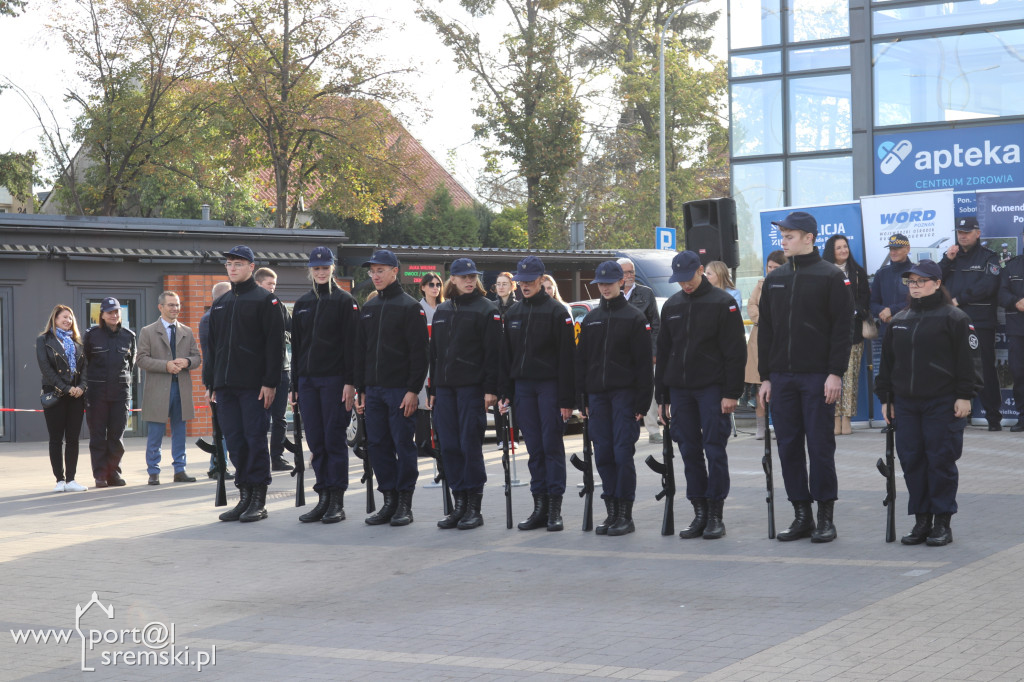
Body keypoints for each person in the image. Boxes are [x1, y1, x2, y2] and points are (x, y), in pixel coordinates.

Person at [758, 211, 853, 543]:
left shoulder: (830, 276)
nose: (783, 242)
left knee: (820, 447)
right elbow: (766, 330)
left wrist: (834, 373)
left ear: (809, 238)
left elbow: (843, 329)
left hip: (817, 377)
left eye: (789, 236)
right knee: (788, 448)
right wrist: (765, 377)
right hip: (781, 378)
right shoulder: (775, 278)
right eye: (782, 236)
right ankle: (802, 514)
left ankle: (826, 516)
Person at [875, 260, 981, 546]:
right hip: (906, 404)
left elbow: (969, 362)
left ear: (936, 283)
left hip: (943, 402)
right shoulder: (900, 319)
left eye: (922, 281)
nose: (916, 286)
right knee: (912, 461)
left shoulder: (955, 318)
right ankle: (921, 519)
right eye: (911, 282)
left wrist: (965, 395)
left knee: (940, 460)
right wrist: (886, 399)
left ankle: (942, 522)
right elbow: (887, 366)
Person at [656, 252, 746, 540]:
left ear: (700, 271)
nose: (684, 285)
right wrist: (662, 397)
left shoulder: (723, 303)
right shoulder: (671, 305)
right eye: (679, 281)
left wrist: (732, 393)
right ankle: (699, 511)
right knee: (688, 450)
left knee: (714, 449)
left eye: (688, 278)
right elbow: (664, 354)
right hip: (680, 391)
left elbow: (735, 352)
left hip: (712, 389)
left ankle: (716, 514)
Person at [203, 246, 286, 523]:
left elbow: (275, 346)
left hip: (254, 386)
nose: (233, 268)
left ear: (252, 267)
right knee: (236, 443)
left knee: (254, 440)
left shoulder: (266, 301)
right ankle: (245, 495)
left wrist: (270, 382)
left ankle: (258, 498)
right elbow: (212, 348)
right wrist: (210, 383)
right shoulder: (221, 303)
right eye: (229, 264)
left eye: (238, 263)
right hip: (225, 387)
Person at [576, 260, 653, 536]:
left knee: (622, 454)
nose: (605, 288)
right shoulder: (591, 319)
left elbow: (644, 365)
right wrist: (581, 398)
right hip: (597, 397)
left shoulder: (634, 318)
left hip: (625, 396)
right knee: (604, 455)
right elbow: (582, 362)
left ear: (621, 282)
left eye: (609, 283)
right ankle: (611, 511)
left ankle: (625, 514)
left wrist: (642, 403)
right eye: (601, 283)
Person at [499, 256, 575, 532]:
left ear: (542, 281)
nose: (525, 286)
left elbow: (568, 359)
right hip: (523, 388)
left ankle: (554, 508)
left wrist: (568, 400)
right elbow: (506, 357)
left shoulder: (557, 312)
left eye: (530, 281)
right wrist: (505, 392)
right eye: (522, 282)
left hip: (550, 386)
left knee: (550, 446)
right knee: (533, 449)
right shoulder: (513, 314)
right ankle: (539, 506)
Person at [354, 249, 429, 527]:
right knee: (377, 446)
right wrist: (361, 388)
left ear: (395, 271)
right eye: (372, 271)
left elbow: (420, 354)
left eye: (380, 270)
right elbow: (360, 352)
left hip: (400, 390)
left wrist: (413, 390)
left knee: (402, 445)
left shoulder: (410, 307)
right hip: (373, 390)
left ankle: (404, 504)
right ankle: (388, 500)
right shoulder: (369, 308)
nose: (375, 276)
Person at [429, 258, 501, 530]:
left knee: (470, 446)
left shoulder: (487, 309)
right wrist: (434, 388)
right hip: (446, 390)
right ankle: (459, 504)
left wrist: (491, 389)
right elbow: (434, 354)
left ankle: (474, 507)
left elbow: (494, 353)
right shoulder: (443, 310)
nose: (469, 281)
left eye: (473, 276)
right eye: (464, 277)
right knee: (449, 447)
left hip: (472, 388)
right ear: (453, 280)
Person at [290, 247, 359, 524]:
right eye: (316, 268)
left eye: (325, 267)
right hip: (307, 381)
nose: (321, 272)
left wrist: (351, 382)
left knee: (333, 440)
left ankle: (337, 500)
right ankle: (322, 497)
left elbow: (353, 346)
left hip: (334, 381)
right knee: (316, 442)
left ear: (333, 268)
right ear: (310, 270)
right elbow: (296, 348)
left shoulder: (345, 301)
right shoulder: (303, 303)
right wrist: (295, 385)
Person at [940, 216, 1003, 430]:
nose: (963, 235)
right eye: (960, 232)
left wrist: (960, 299)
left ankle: (993, 418)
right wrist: (947, 260)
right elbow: (932, 280)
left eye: (967, 232)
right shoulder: (951, 257)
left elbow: (989, 286)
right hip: (951, 323)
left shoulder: (989, 258)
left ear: (978, 233)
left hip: (980, 322)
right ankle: (956, 415)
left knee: (983, 368)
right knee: (950, 368)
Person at [137, 291, 201, 485]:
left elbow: (197, 358)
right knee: (155, 432)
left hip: (181, 388)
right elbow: (141, 359)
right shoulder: (148, 331)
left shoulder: (187, 331)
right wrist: (165, 365)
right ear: (161, 307)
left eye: (177, 305)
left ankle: (180, 470)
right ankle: (153, 471)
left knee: (179, 431)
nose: (175, 309)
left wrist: (187, 361)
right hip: (158, 389)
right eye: (171, 305)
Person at [84, 297, 137, 488]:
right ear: (102, 315)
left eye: (116, 312)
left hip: (120, 394)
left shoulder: (129, 336)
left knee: (116, 437)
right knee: (98, 436)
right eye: (109, 312)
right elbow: (86, 364)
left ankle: (113, 473)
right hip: (97, 394)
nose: (114, 315)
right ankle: (100, 475)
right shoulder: (91, 335)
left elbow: (130, 366)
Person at [823, 235, 871, 436]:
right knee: (831, 377)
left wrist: (854, 311)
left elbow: (865, 300)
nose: (843, 250)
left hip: (853, 334)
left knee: (850, 379)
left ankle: (847, 419)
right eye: (838, 247)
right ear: (831, 251)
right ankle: (834, 418)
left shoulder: (857, 272)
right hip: (828, 335)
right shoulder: (824, 272)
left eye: (845, 246)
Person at [37, 305, 88, 492]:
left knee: (73, 439)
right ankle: (60, 480)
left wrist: (81, 387)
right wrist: (66, 388)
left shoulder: (77, 343)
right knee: (56, 439)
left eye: (70, 318)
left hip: (76, 396)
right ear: (55, 319)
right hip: (56, 394)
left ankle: (72, 480)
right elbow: (46, 369)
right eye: (64, 317)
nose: (68, 321)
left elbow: (85, 370)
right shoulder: (44, 340)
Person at [617, 257, 662, 444]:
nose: (629, 276)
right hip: (620, 356)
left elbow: (656, 324)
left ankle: (653, 431)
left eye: (632, 272)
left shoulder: (646, 293)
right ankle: (625, 429)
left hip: (643, 353)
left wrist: (653, 352)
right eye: (625, 272)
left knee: (648, 392)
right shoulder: (612, 294)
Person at [254, 267, 294, 470]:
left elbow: (290, 333)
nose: (273, 288)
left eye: (274, 284)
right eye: (269, 284)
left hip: (282, 371)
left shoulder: (279, 306)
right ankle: (259, 458)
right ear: (259, 283)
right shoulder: (252, 303)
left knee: (279, 418)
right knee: (259, 419)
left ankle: (276, 457)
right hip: (258, 373)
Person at [745, 251, 786, 440]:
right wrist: (763, 319)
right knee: (760, 384)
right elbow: (752, 305)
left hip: (781, 338)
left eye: (775, 268)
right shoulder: (761, 284)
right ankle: (761, 426)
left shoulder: (788, 283)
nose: (771, 271)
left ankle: (779, 425)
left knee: (778, 386)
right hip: (759, 337)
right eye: (769, 267)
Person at [199, 281, 234, 480]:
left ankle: (218, 464)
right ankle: (218, 465)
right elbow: (210, 354)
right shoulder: (210, 319)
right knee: (221, 426)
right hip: (218, 379)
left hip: (221, 378)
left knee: (223, 425)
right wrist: (210, 385)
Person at [416, 272, 444, 459]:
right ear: (423, 287)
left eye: (438, 284)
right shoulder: (417, 309)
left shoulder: (446, 308)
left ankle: (440, 443)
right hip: (423, 363)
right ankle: (423, 443)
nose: (435, 288)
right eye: (431, 284)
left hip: (442, 363)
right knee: (423, 403)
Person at [998, 235, 1024, 432]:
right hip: (1018, 330)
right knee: (1019, 373)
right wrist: (1015, 301)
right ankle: (1023, 418)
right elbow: (1000, 293)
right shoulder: (1012, 266)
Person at [870, 233, 914, 337]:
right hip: (887, 331)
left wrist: (892, 310)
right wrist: (883, 313)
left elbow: (918, 301)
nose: (893, 252)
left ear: (907, 249)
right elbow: (873, 303)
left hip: (911, 330)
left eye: (897, 249)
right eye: (891, 249)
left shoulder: (916, 272)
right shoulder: (881, 273)